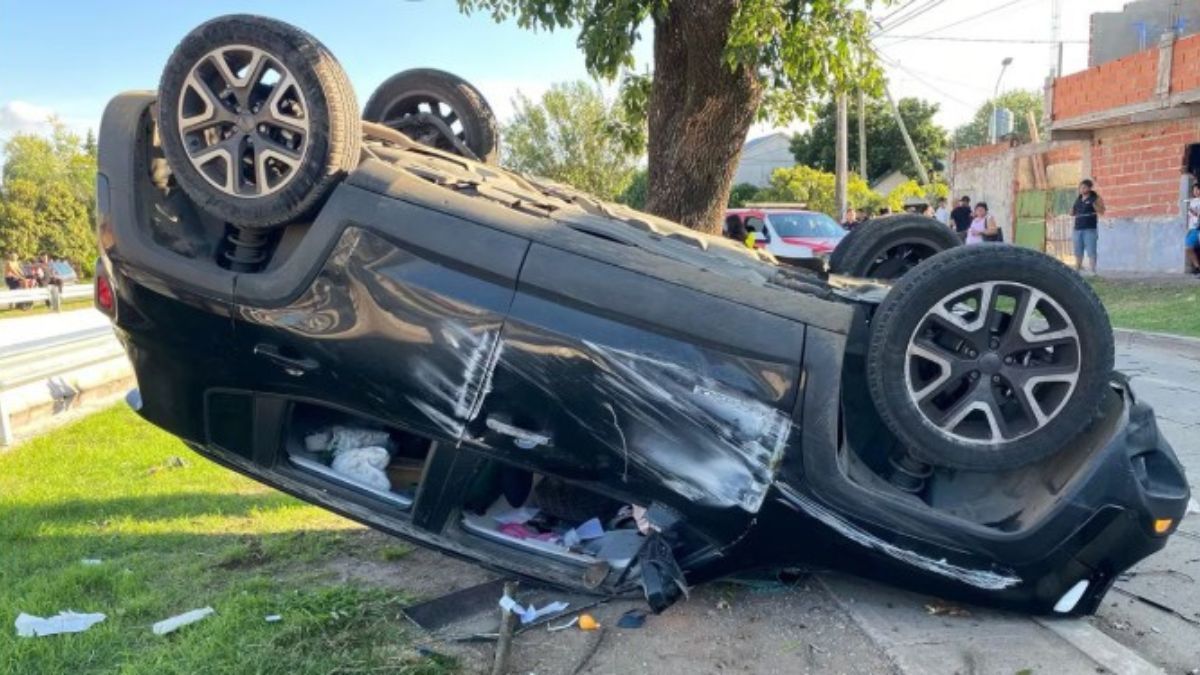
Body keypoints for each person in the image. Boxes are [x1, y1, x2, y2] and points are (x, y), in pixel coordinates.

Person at [1070, 179, 1106, 275]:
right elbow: (1072, 213)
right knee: (1078, 250)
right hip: (1077, 229)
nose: (1081, 189)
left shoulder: (1095, 198)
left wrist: (1095, 206)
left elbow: (1102, 211)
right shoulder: (1078, 199)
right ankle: (1077, 269)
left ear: (1089, 188)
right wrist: (1071, 211)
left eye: (1084, 187)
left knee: (1091, 250)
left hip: (1090, 229)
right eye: (1080, 187)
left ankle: (1093, 271)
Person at [1187, 183, 1200, 275]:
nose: (1195, 191)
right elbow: (1190, 217)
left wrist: (1195, 212)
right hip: (1193, 229)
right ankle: (1197, 267)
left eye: (1197, 189)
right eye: (1194, 190)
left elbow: (1196, 214)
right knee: (1188, 248)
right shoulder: (1193, 201)